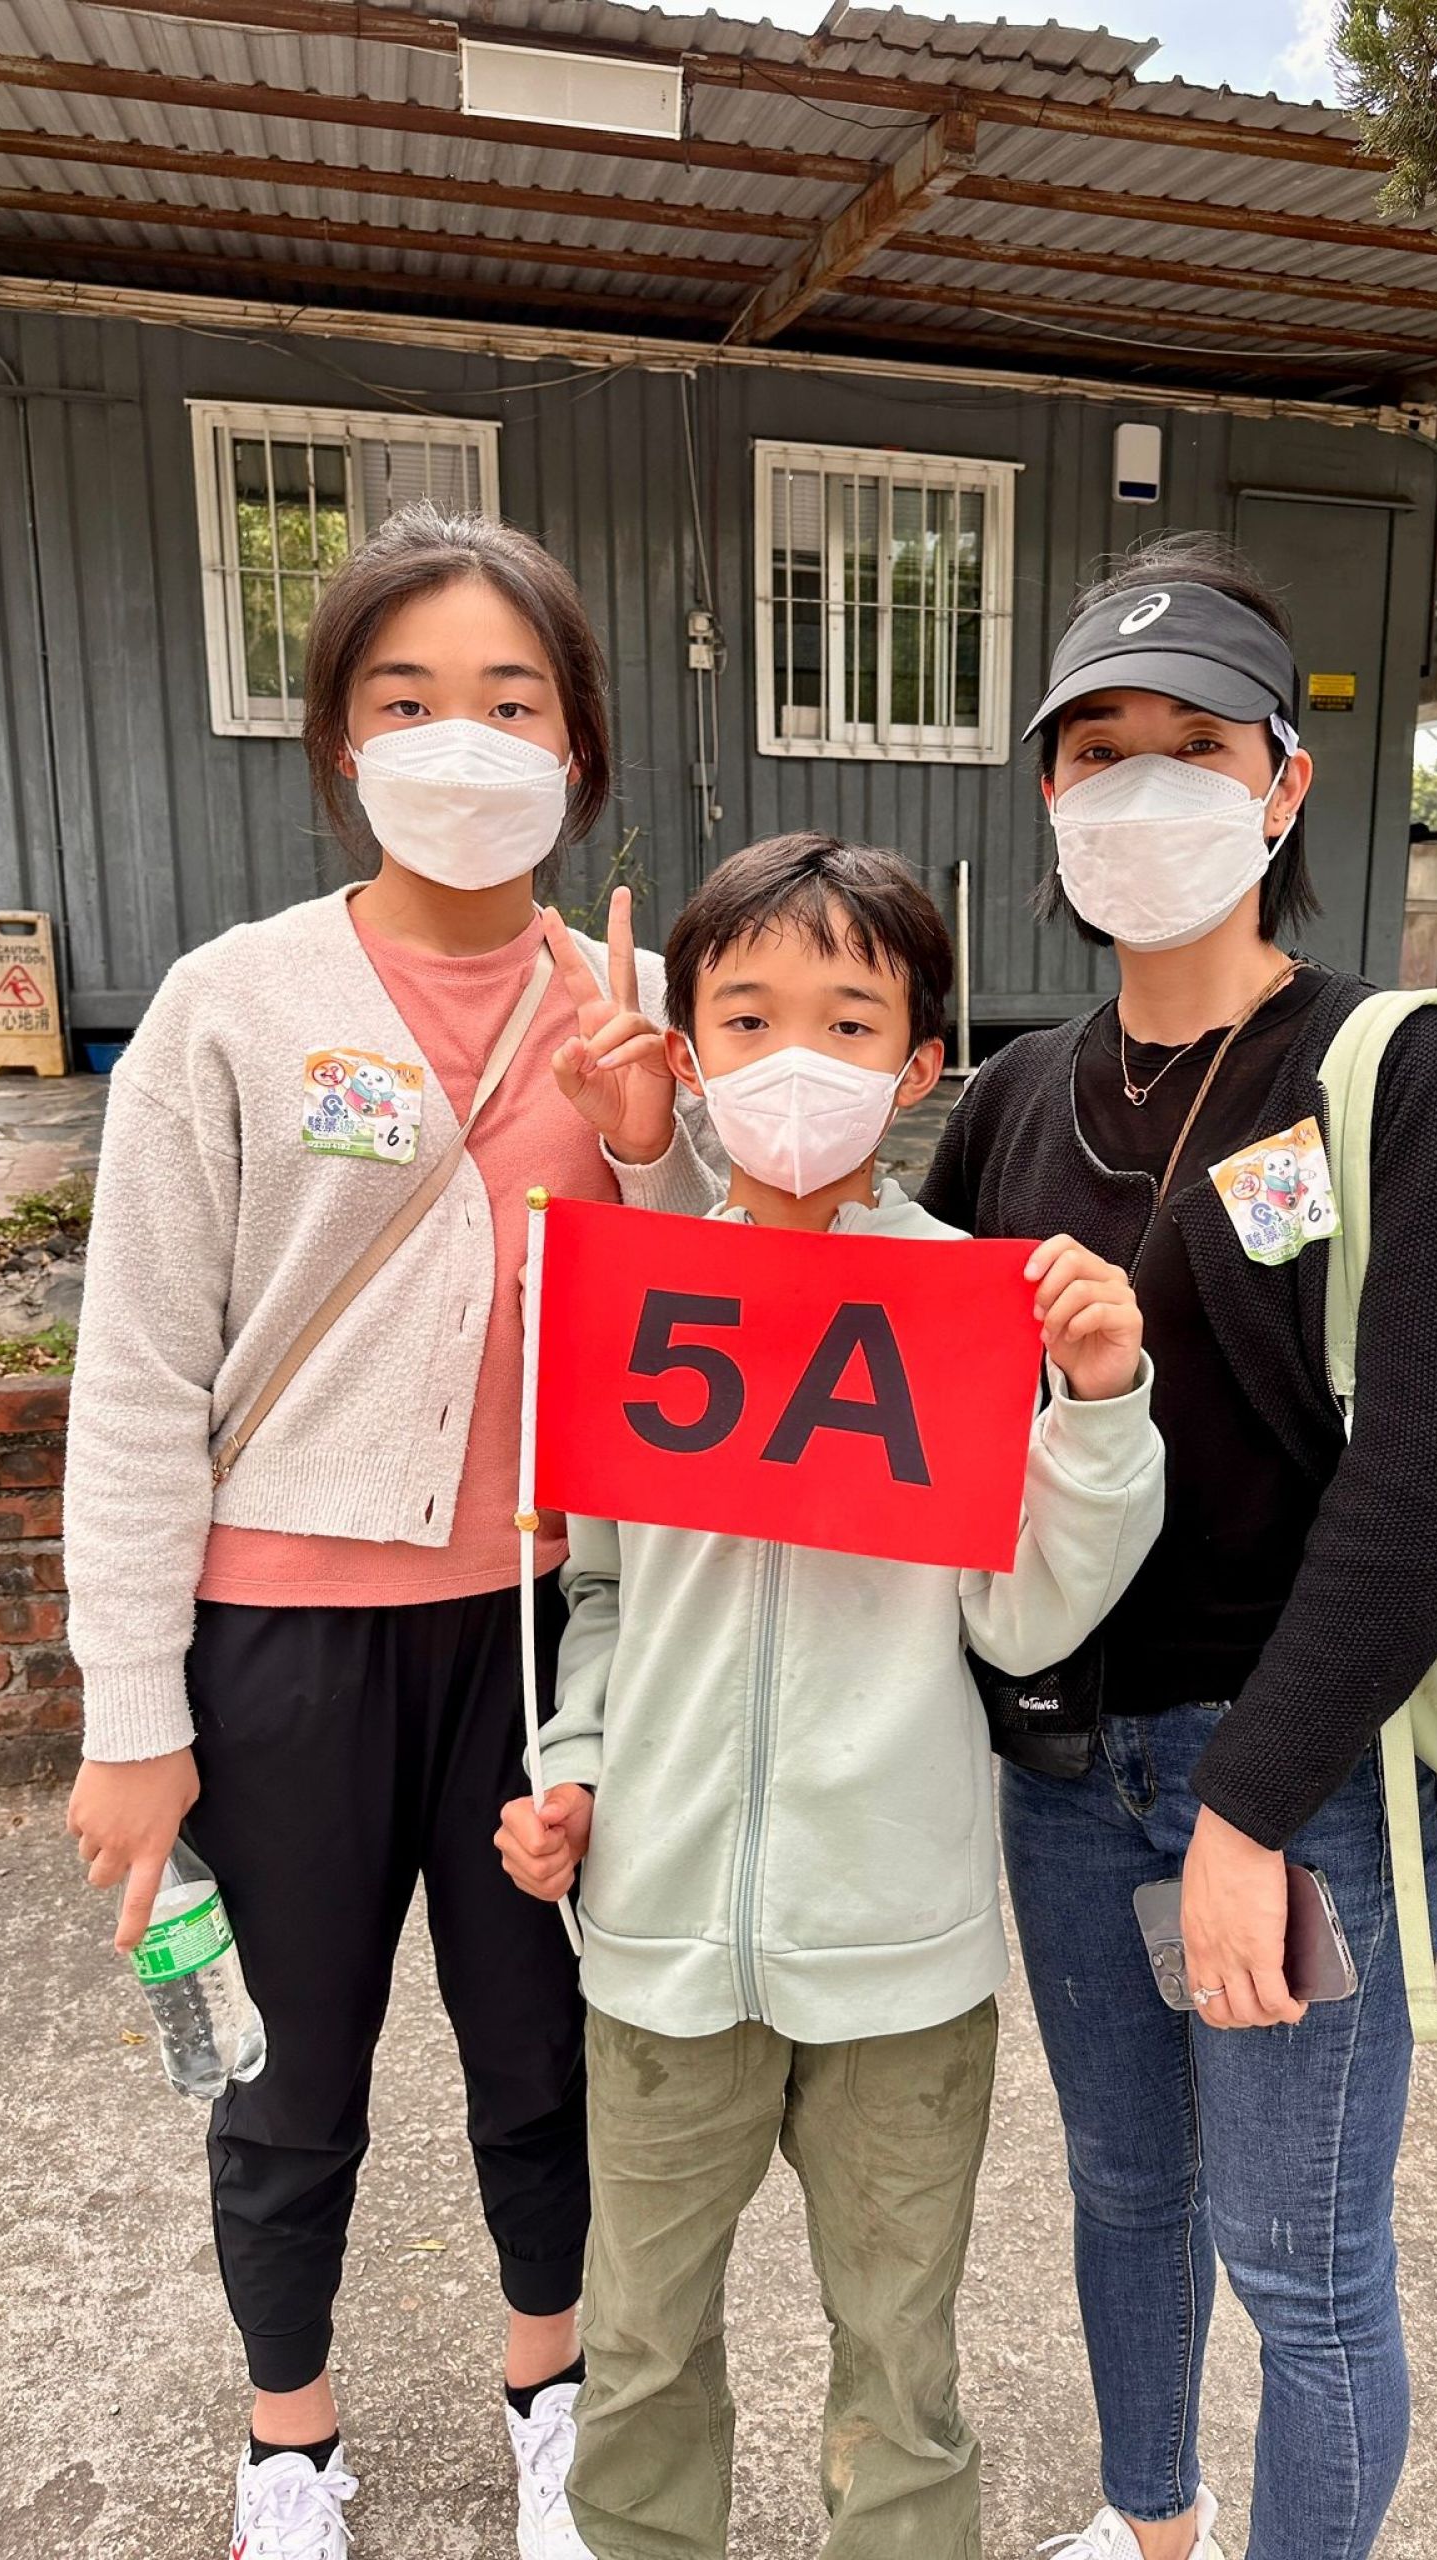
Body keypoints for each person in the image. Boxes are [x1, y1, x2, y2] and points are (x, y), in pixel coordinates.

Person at [591, 536, 1437, 2560]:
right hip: (1064, 1770)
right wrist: (652, 1163)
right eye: (1100, 749)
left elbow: (1430, 1487)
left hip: (1298, 1777)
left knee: (1302, 2260)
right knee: (1124, 2197)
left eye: (1198, 742)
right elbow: (818, 1344)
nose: (1144, 785)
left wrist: (1252, 1809)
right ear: (1048, 792)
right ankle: (1148, 2518)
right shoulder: (1013, 1094)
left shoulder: (1387, 1065)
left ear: (1284, 782)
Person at [61, 504, 718, 2560]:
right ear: (341, 738)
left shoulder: (639, 1003)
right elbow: (137, 1376)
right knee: (282, 2071)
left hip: (543, 1631)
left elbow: (719, 1334)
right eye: (407, 697)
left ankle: (551, 2393)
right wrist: (133, 1709)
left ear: (577, 743)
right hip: (283, 1648)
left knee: (545, 2054)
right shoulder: (231, 1003)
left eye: (510, 702)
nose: (461, 740)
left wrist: (652, 1146)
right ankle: (289, 2438)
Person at [495, 833, 1166, 2560]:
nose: (796, 1058)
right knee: (641, 2347)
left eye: (851, 1021)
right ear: (688, 1054)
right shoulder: (638, 1301)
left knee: (900, 2363)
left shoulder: (967, 1307)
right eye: (748, 1016)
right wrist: (578, 1767)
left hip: (902, 1958)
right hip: (658, 1941)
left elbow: (1025, 1620)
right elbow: (598, 1595)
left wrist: (1099, 1409)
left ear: (920, 1064)